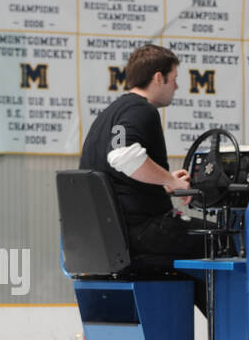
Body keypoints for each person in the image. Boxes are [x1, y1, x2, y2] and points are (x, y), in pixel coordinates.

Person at [78, 44, 212, 261]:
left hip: (106, 236)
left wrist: (163, 181)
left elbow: (119, 170)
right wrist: (172, 180)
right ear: (158, 78)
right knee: (223, 238)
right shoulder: (141, 110)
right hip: (140, 232)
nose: (176, 86)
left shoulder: (111, 113)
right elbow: (121, 155)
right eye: (174, 78)